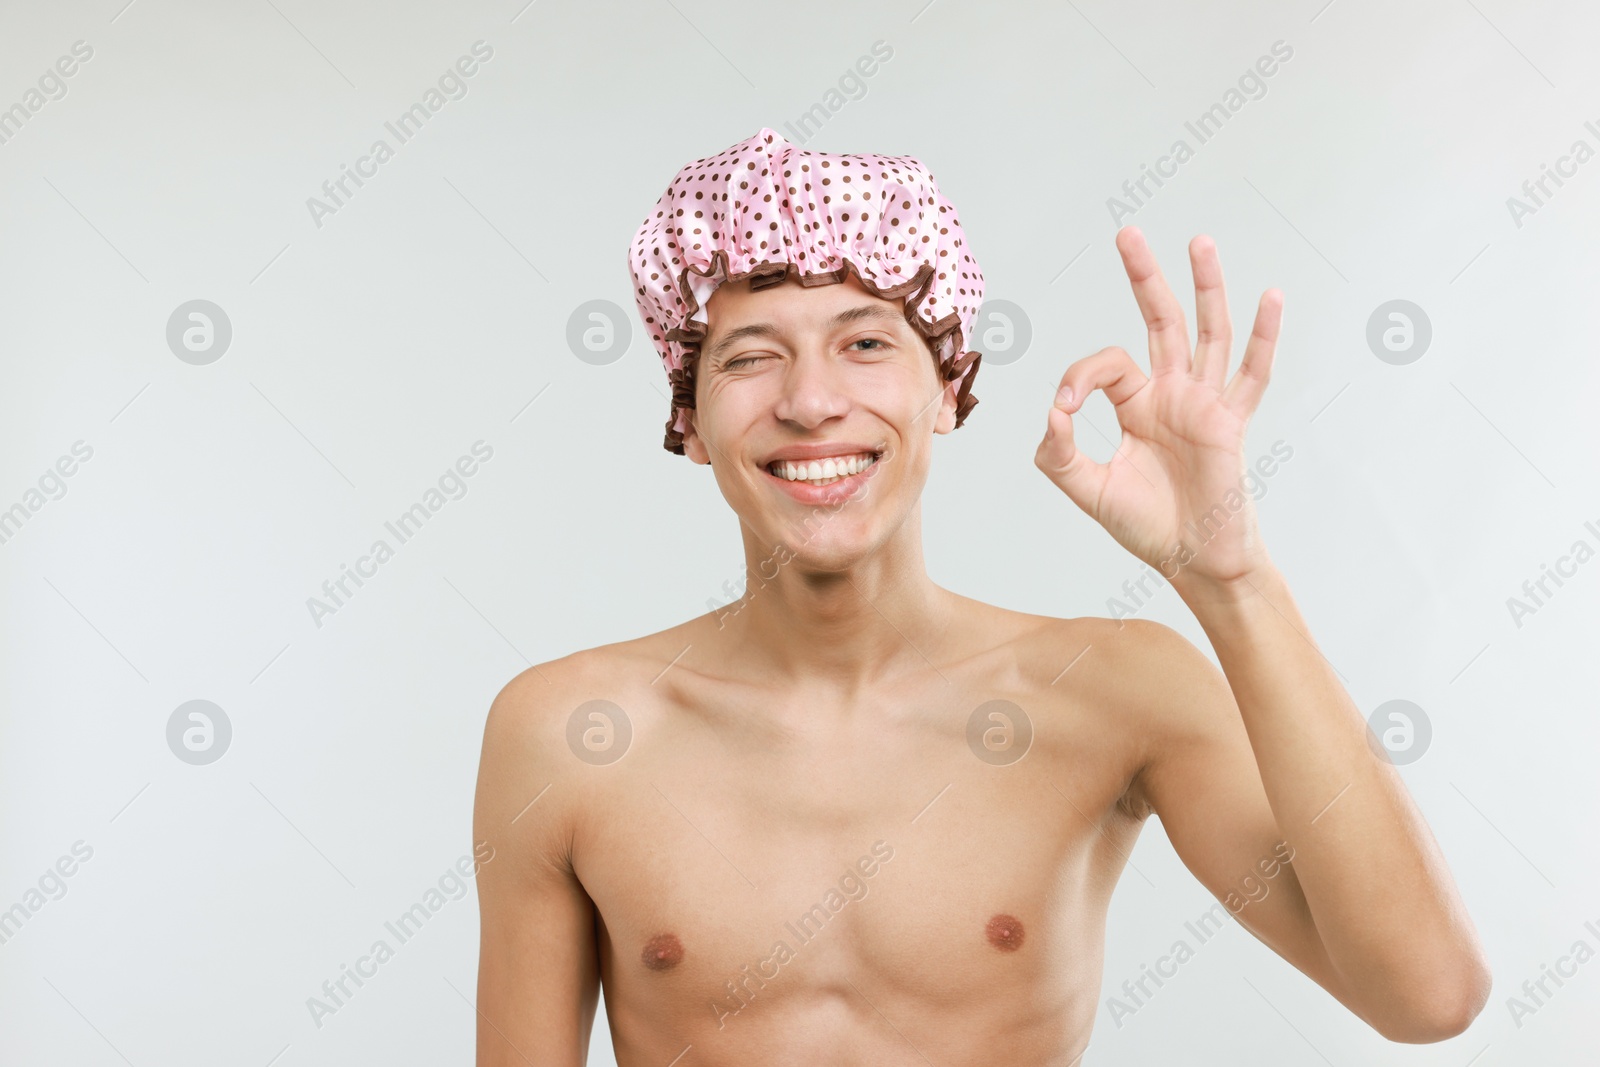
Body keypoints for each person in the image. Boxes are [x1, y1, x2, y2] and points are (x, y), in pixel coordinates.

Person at [470, 127, 1489, 1065]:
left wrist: (1231, 581)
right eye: (749, 354)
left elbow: (1425, 996)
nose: (812, 398)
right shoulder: (566, 730)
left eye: (866, 342)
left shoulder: (1116, 688)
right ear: (689, 421)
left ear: (947, 391)